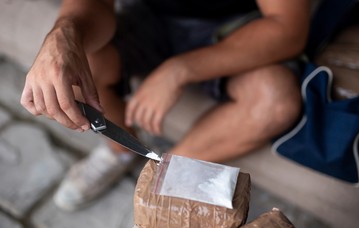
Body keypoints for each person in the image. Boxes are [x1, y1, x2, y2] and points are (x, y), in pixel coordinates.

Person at [20, 0, 311, 211]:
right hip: (154, 15)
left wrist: (180, 69)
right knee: (78, 66)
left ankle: (164, 177)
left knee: (275, 100)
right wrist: (65, 34)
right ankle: (119, 153)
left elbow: (288, 28)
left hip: (239, 23)